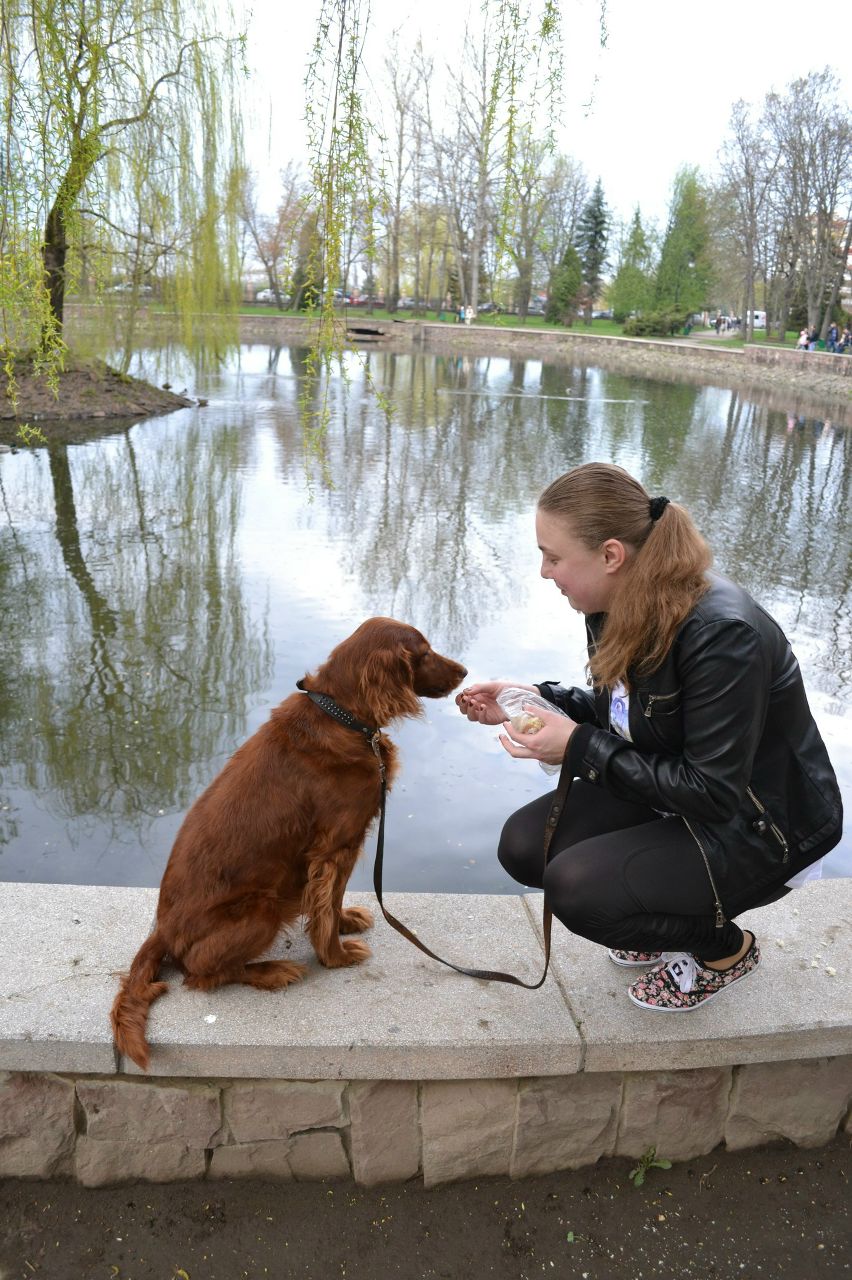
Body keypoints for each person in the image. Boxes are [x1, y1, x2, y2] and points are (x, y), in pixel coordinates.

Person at [456, 463, 842, 1013]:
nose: (544, 572)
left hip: (763, 822)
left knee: (578, 889)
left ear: (611, 555)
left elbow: (712, 791)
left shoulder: (721, 634)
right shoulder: (612, 603)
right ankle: (659, 912)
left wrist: (577, 747)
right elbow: (628, 713)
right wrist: (538, 702)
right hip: (675, 788)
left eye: (554, 556)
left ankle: (724, 951)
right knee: (525, 845)